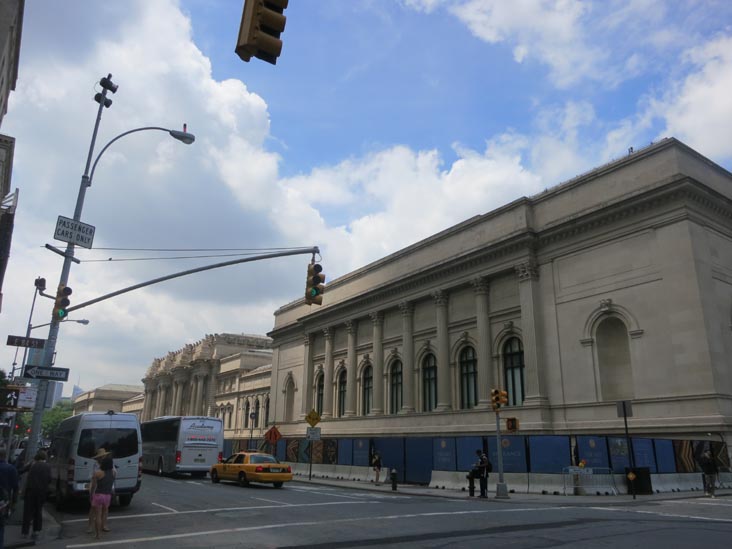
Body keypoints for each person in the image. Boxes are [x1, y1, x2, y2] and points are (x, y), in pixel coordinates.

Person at [21, 451, 52, 541]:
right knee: (38, 511)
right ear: (45, 458)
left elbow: (21, 470)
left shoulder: (32, 464)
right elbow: (49, 479)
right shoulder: (48, 466)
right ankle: (36, 531)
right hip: (41, 492)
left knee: (27, 511)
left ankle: (25, 532)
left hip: (30, 490)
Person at [91, 452, 115, 539]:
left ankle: (98, 535)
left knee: (97, 515)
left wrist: (91, 494)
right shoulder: (113, 472)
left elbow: (93, 486)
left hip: (98, 495)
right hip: (107, 495)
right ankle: (104, 526)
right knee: (105, 512)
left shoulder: (98, 473)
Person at [0, 449, 19, 549]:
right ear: (5, 456)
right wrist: (14, 503)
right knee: (1, 526)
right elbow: (16, 487)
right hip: (3, 503)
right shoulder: (11, 469)